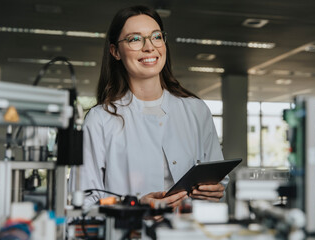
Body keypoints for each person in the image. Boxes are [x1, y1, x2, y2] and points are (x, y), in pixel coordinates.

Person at [70, 5, 227, 208]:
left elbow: (218, 181)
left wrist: (214, 191)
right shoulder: (100, 119)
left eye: (156, 36)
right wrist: (133, 206)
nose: (149, 47)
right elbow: (82, 199)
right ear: (115, 51)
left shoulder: (196, 110)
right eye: (135, 39)